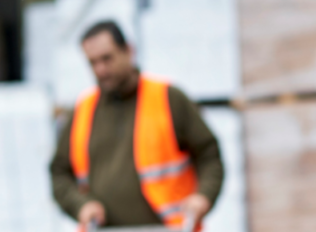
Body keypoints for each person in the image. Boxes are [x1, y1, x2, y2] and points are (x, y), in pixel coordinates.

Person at [50, 21, 224, 231]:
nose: (101, 70)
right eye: (93, 63)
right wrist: (81, 206)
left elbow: (209, 155)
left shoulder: (168, 99)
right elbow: (59, 172)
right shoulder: (82, 111)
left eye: (107, 58)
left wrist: (202, 196)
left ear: (129, 51)